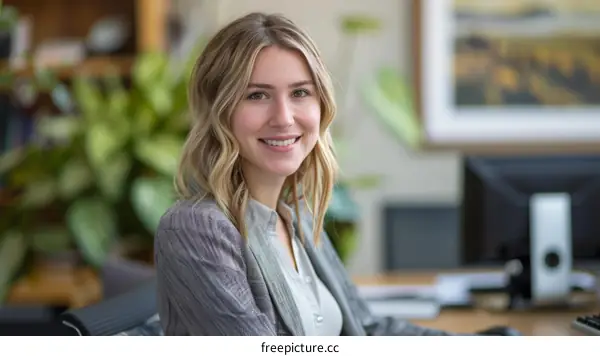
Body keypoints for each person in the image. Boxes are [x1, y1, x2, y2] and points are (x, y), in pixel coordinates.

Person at [154, 12, 520, 336]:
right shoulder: (197, 229)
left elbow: (368, 329)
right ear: (219, 111)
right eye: (257, 96)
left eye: (300, 93)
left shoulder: (297, 217)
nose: (284, 117)